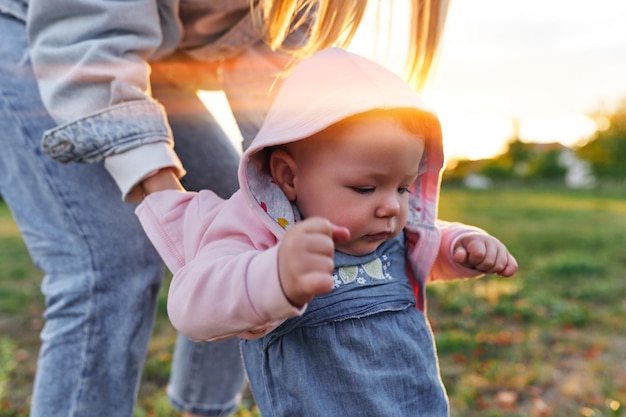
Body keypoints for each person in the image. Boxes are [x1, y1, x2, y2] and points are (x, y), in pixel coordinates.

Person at [0, 1, 454, 416]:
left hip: (155, 62)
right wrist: (178, 214)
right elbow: (87, 34)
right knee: (109, 262)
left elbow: (271, 76)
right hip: (57, 42)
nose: (391, 206)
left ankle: (205, 409)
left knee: (243, 211)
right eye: (366, 188)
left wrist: (284, 182)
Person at [136, 47, 519, 416]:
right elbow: (191, 305)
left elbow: (428, 238)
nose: (390, 206)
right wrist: (274, 276)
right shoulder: (261, 236)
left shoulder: (388, 233)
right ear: (289, 176)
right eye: (365, 188)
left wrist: (461, 246)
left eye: (403, 187)